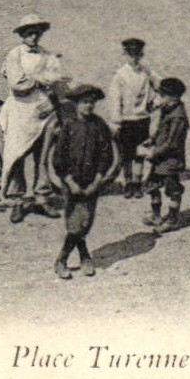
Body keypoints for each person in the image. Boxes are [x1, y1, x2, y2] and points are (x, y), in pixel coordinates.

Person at [0, 14, 68, 223]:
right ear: (22, 34)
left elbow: (57, 80)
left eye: (37, 32)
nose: (33, 36)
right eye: (29, 33)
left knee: (43, 156)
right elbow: (18, 84)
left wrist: (49, 94)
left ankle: (42, 197)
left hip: (43, 111)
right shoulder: (15, 55)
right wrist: (41, 79)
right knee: (16, 155)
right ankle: (18, 201)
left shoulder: (47, 55)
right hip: (20, 111)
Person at [48, 83, 119, 281]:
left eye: (91, 103)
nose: (88, 106)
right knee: (74, 223)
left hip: (91, 182)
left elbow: (106, 155)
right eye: (84, 102)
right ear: (76, 104)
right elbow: (58, 157)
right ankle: (63, 260)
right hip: (71, 182)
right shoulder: (69, 126)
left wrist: (98, 179)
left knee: (85, 222)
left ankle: (83, 256)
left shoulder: (99, 125)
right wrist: (68, 180)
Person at [108, 37, 157, 198]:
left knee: (140, 154)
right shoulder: (120, 74)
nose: (134, 58)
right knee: (127, 155)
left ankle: (137, 183)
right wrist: (116, 120)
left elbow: (160, 86)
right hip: (126, 120)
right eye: (130, 54)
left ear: (141, 55)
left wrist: (154, 101)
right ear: (125, 55)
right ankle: (128, 183)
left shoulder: (146, 72)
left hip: (142, 119)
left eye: (137, 54)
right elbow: (115, 98)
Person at [142, 77, 189, 233]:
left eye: (162, 95)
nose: (158, 98)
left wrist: (153, 153)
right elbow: (160, 130)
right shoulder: (167, 110)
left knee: (173, 190)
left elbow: (172, 143)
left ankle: (172, 219)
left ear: (174, 97)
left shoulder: (178, 117)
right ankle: (156, 216)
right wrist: (152, 140)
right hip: (160, 159)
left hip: (170, 161)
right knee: (152, 186)